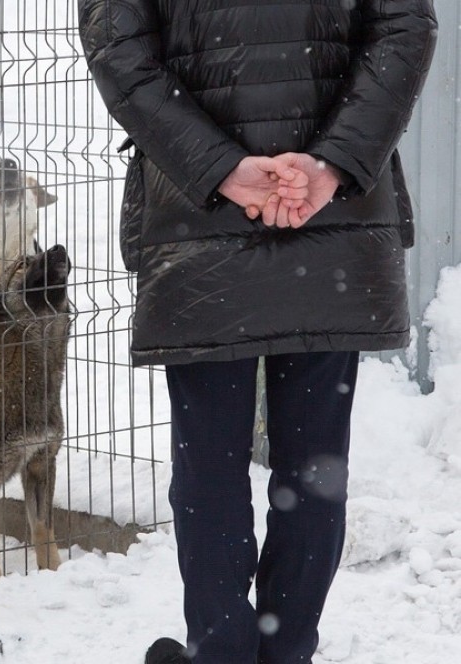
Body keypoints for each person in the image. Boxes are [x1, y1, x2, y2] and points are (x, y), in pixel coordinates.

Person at [78, 2, 438, 663]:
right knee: (313, 465)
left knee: (208, 464)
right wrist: (329, 166)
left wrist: (223, 170)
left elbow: (119, 47)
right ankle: (286, 649)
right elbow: (404, 27)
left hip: (199, 218)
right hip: (332, 222)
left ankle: (222, 651)